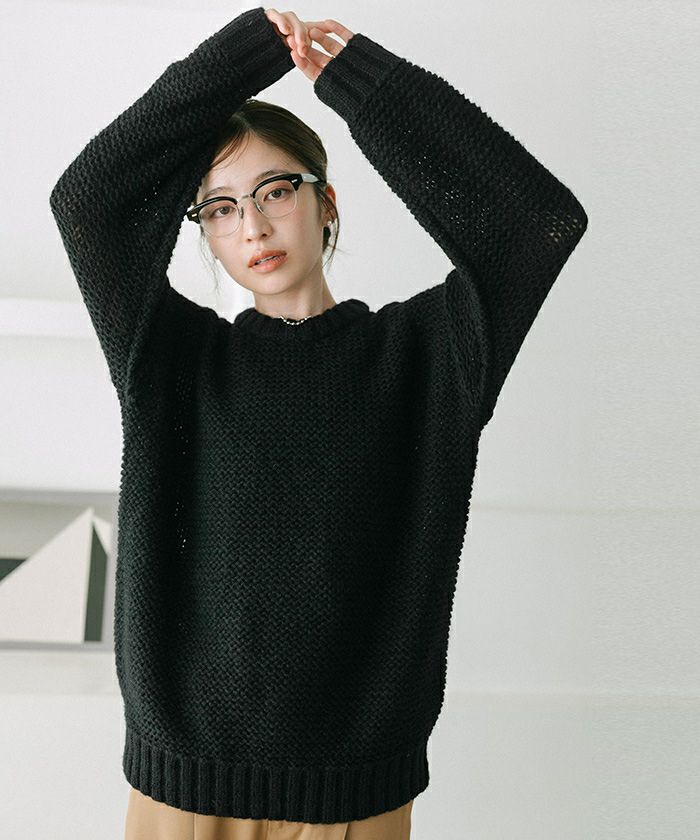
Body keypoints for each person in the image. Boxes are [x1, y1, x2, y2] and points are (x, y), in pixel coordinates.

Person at [49, 6, 587, 839]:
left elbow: (535, 224)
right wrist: (238, 62)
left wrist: (365, 88)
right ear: (206, 235)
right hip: (183, 789)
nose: (253, 226)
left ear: (325, 201)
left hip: (355, 799)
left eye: (275, 190)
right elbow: (88, 204)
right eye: (220, 208)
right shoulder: (170, 359)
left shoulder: (427, 356)